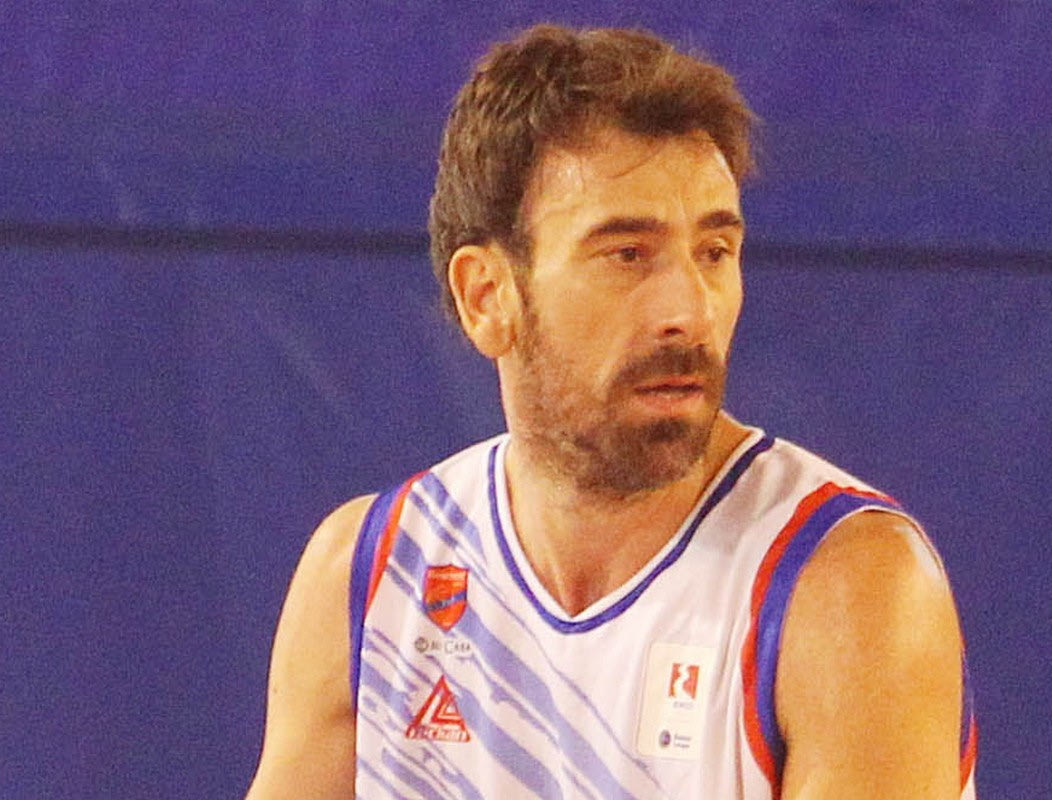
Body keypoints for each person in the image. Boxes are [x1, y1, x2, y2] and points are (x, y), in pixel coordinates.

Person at [246, 23, 978, 800]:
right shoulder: (370, 573)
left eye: (714, 253)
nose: (689, 312)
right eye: (627, 254)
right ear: (487, 297)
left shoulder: (845, 588)